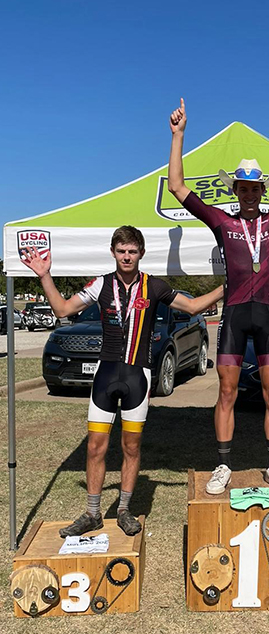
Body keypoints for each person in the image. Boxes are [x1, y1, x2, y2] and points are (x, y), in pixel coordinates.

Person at [168, 97, 269, 494]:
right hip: (236, 314)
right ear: (236, 190)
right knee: (226, 390)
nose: (249, 194)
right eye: (242, 188)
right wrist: (179, 135)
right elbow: (176, 186)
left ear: (262, 189)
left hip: (268, 314)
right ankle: (223, 465)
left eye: (254, 188)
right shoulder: (222, 221)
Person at [21, 226, 223, 536]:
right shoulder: (101, 285)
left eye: (131, 251)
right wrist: (44, 275)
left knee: (131, 446)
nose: (126, 256)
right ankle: (92, 512)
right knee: (95, 448)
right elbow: (62, 309)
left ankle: (125, 509)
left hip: (137, 376)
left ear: (141, 253)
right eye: (121, 251)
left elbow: (194, 306)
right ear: (113, 252)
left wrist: (231, 284)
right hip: (105, 376)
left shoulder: (154, 287)